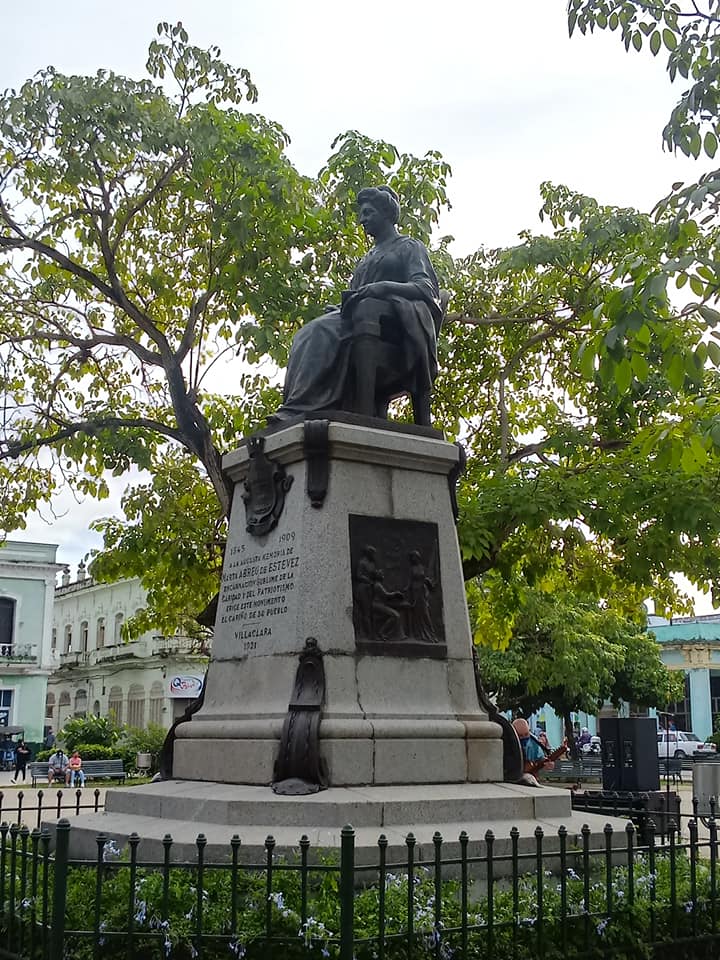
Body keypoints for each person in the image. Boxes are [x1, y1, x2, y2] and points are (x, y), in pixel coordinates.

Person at [272, 186, 443, 425]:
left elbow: (426, 288)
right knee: (306, 333)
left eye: (368, 212)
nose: (362, 219)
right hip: (357, 322)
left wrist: (383, 288)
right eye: (362, 214)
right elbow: (356, 295)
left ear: (386, 213)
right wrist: (341, 307)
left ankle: (299, 407)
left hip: (392, 330)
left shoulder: (409, 247)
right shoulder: (368, 257)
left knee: (320, 331)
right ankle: (300, 407)